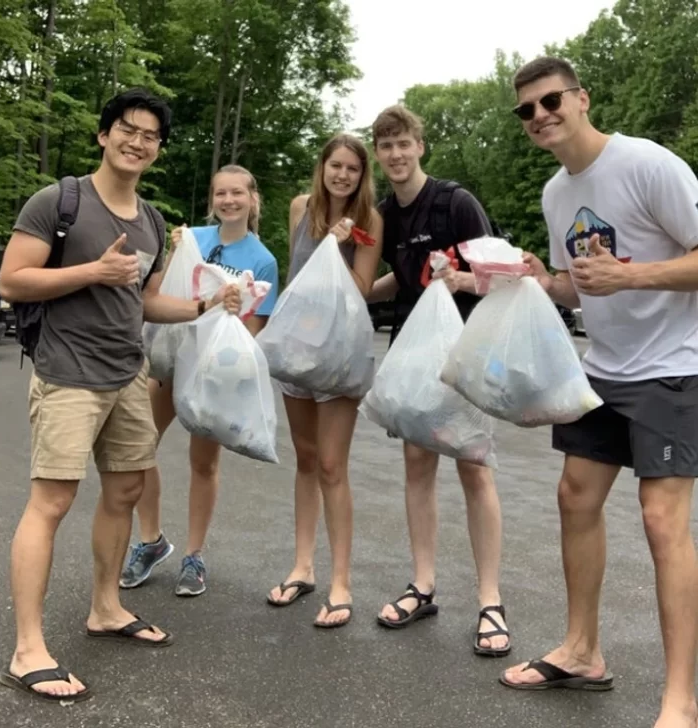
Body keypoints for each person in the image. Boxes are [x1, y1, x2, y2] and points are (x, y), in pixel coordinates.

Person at [0, 88, 240, 702]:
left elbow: (143, 300)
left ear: (158, 149)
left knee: (126, 490)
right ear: (104, 135)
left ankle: (105, 608)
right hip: (67, 372)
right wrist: (92, 271)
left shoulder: (151, 219)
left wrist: (207, 305)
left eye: (150, 135)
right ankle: (27, 651)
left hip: (128, 373)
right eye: (127, 129)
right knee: (52, 501)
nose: (138, 141)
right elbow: (12, 281)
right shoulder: (60, 201)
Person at [499, 56, 698, 728]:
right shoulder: (556, 193)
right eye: (526, 110)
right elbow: (579, 286)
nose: (539, 115)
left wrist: (631, 278)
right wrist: (541, 280)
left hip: (673, 366)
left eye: (550, 101)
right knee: (575, 498)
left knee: (662, 520)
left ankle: (681, 700)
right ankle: (583, 652)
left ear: (582, 98)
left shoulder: (647, 164)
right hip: (604, 368)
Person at [367, 105, 511, 656]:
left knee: (474, 469)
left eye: (404, 143)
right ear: (378, 154)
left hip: (466, 355)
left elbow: (501, 278)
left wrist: (460, 282)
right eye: (386, 146)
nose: (396, 154)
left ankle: (490, 601)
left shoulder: (455, 203)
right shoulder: (384, 214)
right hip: (413, 353)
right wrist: (346, 290)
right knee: (417, 465)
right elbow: (398, 281)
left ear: (420, 146)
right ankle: (422, 585)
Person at [120, 164, 279, 597]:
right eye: (221, 193)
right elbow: (166, 294)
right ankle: (151, 540)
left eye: (237, 193)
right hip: (173, 358)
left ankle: (194, 554)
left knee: (203, 463)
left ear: (252, 198)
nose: (229, 200)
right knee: (138, 446)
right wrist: (176, 253)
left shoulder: (262, 259)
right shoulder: (192, 239)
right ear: (213, 199)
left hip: (213, 372)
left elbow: (253, 331)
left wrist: (229, 318)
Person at [266, 133, 383, 628]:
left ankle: (341, 582)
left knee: (333, 465)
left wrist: (338, 245)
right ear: (322, 167)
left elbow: (360, 289)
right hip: (298, 348)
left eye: (352, 169)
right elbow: (296, 279)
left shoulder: (369, 219)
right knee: (306, 458)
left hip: (339, 354)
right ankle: (302, 567)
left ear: (362, 175)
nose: (343, 175)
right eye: (336, 165)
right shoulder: (300, 208)